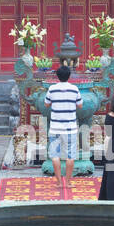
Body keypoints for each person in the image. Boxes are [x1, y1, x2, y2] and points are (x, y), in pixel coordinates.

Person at [46, 64, 82, 199]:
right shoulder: (74, 89)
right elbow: (80, 105)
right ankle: (67, 181)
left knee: (55, 155)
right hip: (70, 128)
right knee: (70, 155)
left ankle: (59, 182)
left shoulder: (52, 89)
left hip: (55, 127)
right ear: (69, 76)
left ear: (57, 76)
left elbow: (46, 104)